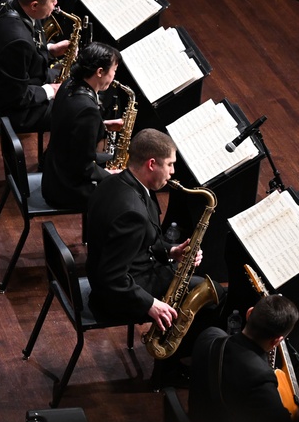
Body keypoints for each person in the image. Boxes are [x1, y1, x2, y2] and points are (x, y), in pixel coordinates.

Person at [85, 129, 209, 329]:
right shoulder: (131, 213)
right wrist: (151, 304)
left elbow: (139, 242)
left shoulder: (113, 182)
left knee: (191, 276)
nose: (173, 172)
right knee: (212, 296)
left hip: (116, 275)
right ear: (151, 164)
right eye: (170, 164)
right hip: (118, 295)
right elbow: (113, 277)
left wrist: (171, 251)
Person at [190, 295, 299, 422]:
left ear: (249, 313)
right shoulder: (261, 380)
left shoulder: (210, 334)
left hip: (197, 417)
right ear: (276, 341)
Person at [0, 0, 68, 133]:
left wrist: (50, 50)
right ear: (34, 5)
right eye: (53, 1)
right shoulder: (17, 42)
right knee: (73, 113)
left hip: (13, 80)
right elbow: (17, 97)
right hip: (12, 110)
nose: (56, 4)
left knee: (72, 81)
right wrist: (50, 90)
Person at [41, 42, 123, 211]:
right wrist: (110, 176)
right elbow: (84, 168)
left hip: (53, 174)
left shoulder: (68, 84)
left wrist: (101, 124)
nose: (114, 76)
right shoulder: (87, 110)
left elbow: (69, 125)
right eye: (114, 70)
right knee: (122, 194)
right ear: (100, 72)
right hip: (66, 189)